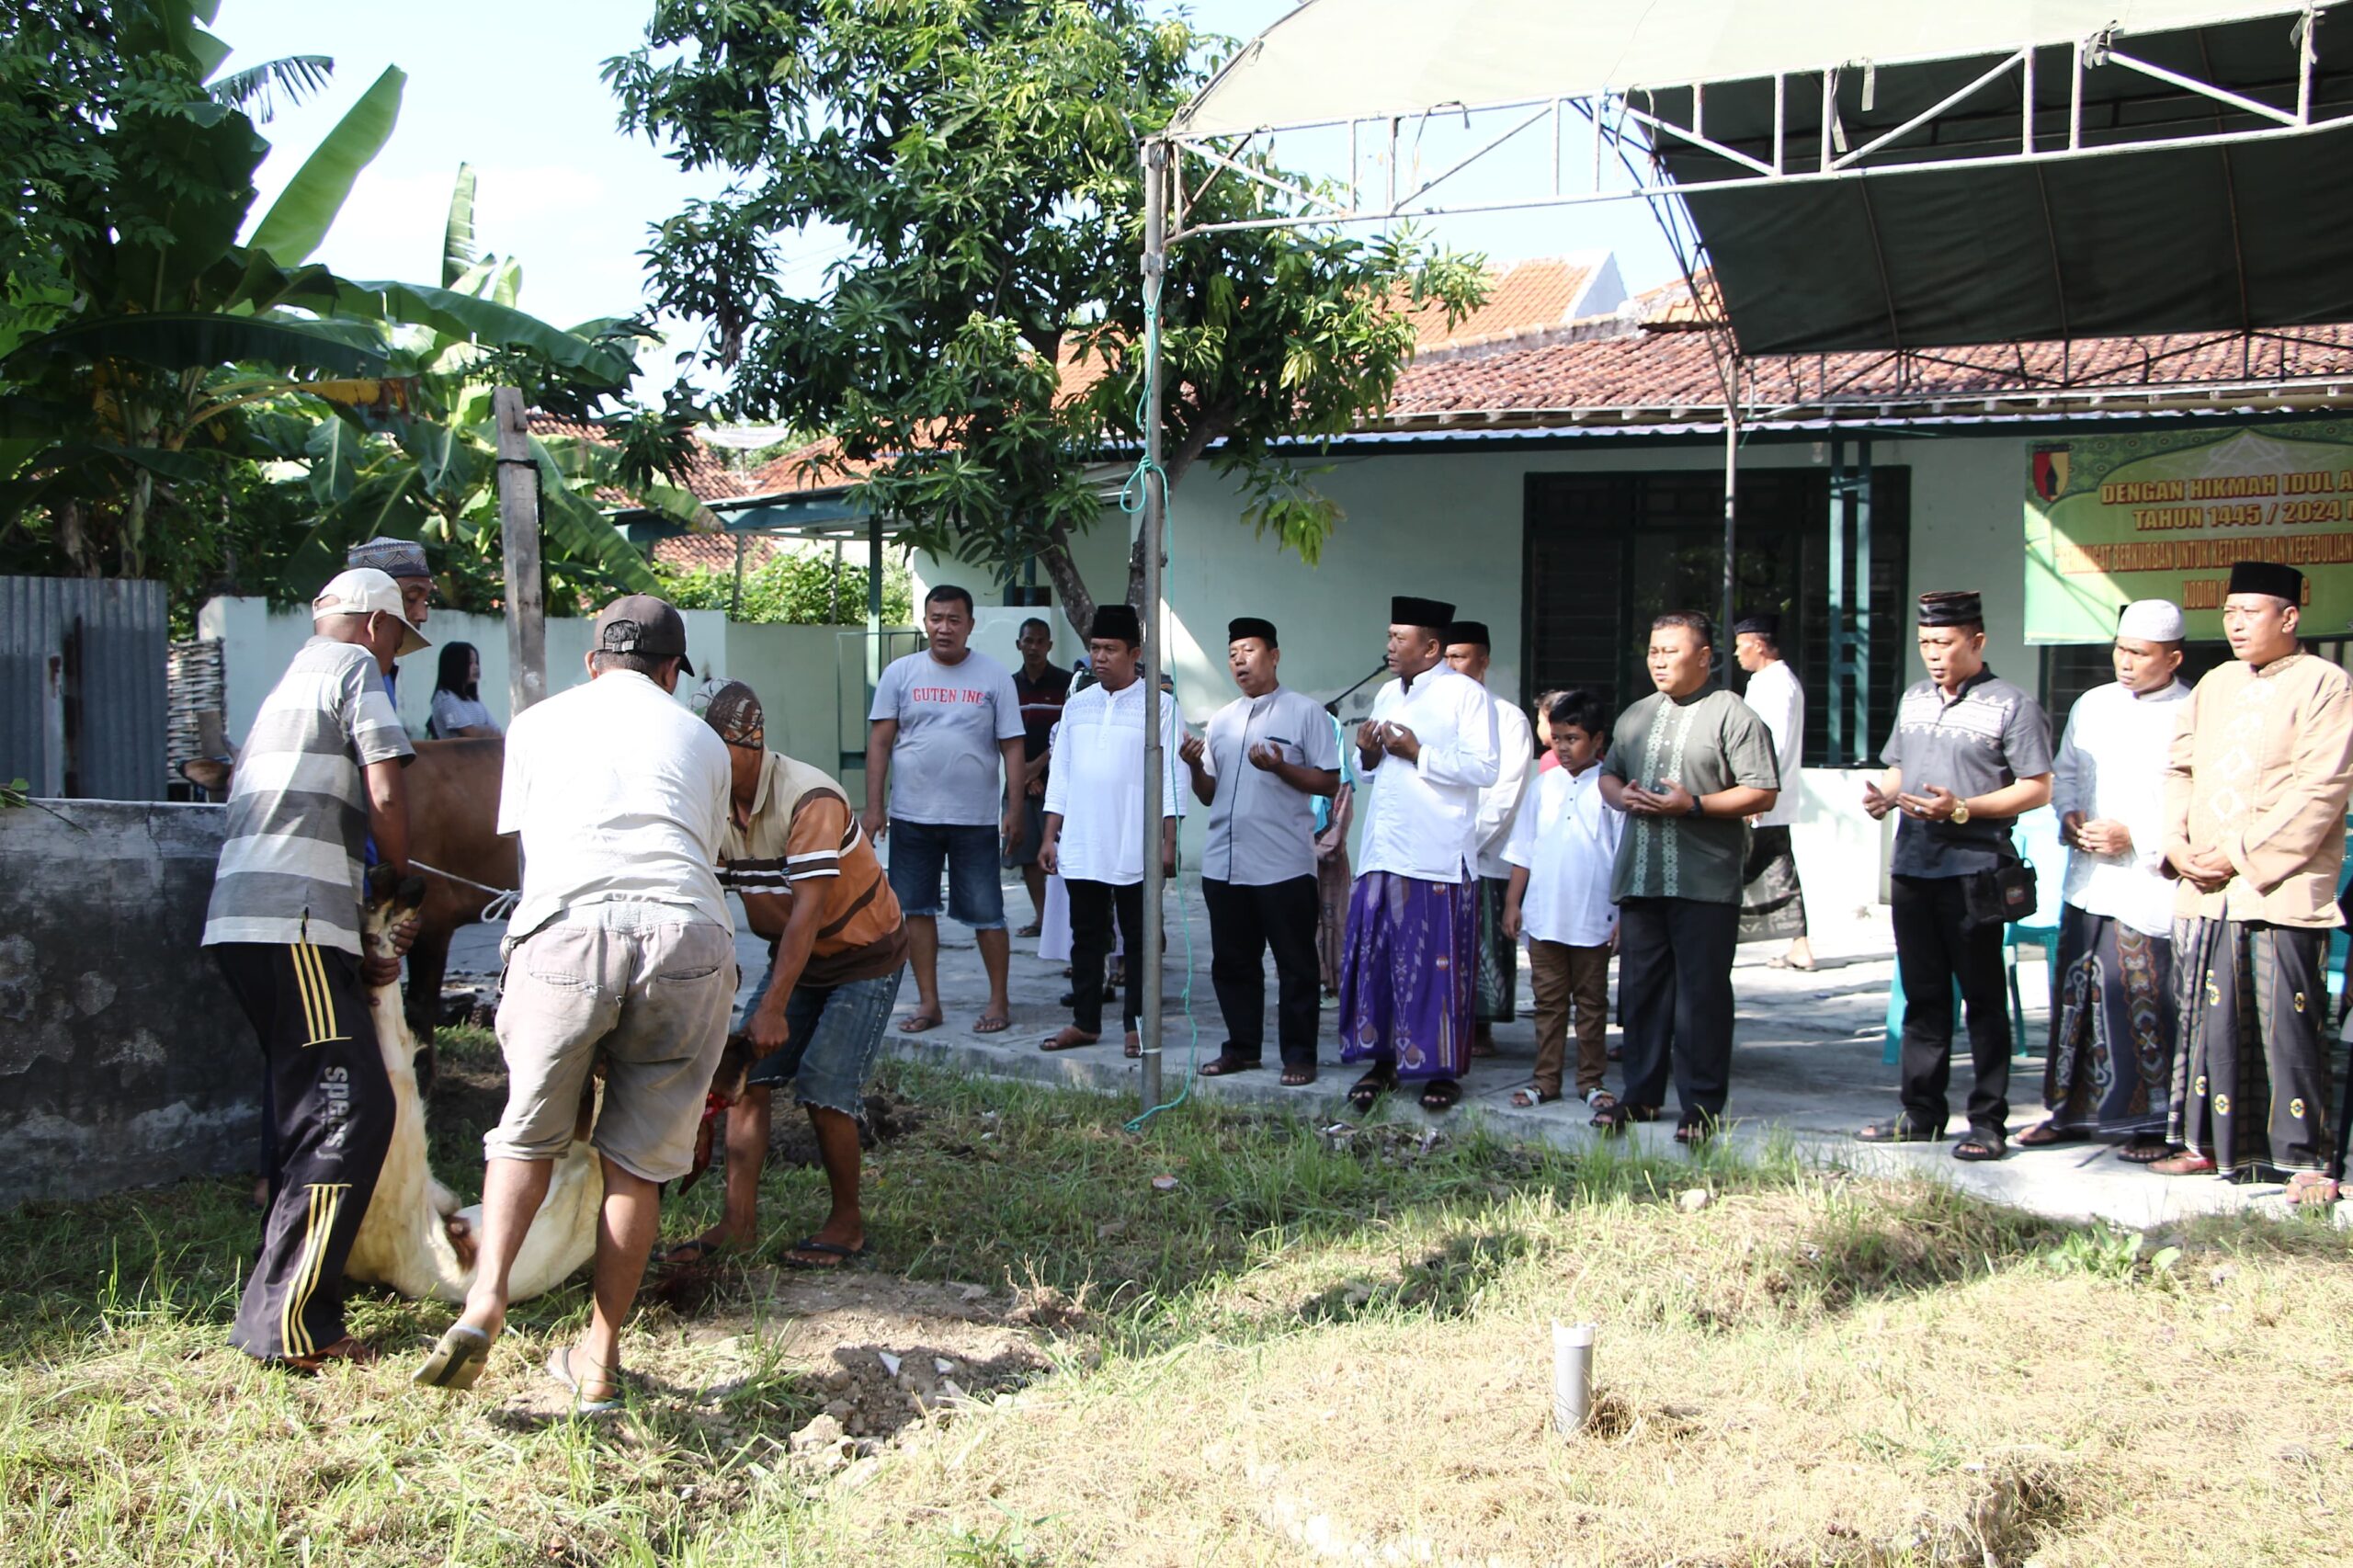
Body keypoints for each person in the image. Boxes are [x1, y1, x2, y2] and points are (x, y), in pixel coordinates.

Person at [414, 595, 734, 1409]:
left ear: (594, 662)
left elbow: (532, 851)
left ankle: (485, 1302)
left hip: (563, 931)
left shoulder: (535, 724)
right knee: (637, 1165)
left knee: (524, 1132)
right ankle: (598, 1357)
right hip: (686, 936)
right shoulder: (701, 737)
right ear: (671, 672)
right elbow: (703, 849)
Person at [204, 568, 424, 1370]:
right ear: (373, 625)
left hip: (245, 921)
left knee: (309, 1109)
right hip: (294, 920)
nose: (400, 649)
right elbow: (386, 789)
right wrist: (399, 874)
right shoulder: (353, 668)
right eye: (400, 632)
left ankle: (277, 1302)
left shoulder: (286, 682)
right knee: (349, 1109)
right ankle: (297, 1321)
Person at [666, 681, 909, 1268]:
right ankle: (738, 1222)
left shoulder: (810, 798)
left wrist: (772, 1007)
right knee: (745, 1076)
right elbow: (701, 907)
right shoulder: (709, 804)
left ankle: (847, 1223)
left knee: (826, 1083)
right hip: (795, 958)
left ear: (754, 745)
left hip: (863, 956)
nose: (710, 766)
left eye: (720, 752)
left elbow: (808, 914)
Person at [2155, 562, 2353, 1204]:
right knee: (2208, 1023)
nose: (2235, 623)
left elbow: (2320, 789)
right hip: (2205, 885)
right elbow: (2179, 767)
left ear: (2289, 618)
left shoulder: (2327, 684)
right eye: (2229, 611)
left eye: (2251, 611)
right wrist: (2179, 844)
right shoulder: (2212, 683)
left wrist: (2238, 856)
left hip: (2279, 885)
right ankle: (2206, 1147)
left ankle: (2302, 1162)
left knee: (2285, 1026)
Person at [1858, 589, 2054, 1162]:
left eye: (1944, 643)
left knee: (1983, 999)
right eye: (1925, 644)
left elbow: (2036, 788)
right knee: (1923, 996)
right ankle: (1921, 1112)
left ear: (1977, 641)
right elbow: (1900, 769)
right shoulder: (1915, 698)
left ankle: (1988, 1120)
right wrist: (1884, 797)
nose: (1933, 655)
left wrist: (1963, 808)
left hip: (1974, 871)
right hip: (1914, 864)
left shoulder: (2011, 705)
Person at [1598, 612, 1780, 1144]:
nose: (1658, 660)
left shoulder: (1734, 714)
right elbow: (1608, 773)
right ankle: (1640, 1095)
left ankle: (1701, 1106)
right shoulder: (1636, 714)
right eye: (1653, 651)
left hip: (1704, 882)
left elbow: (1762, 791)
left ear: (1704, 657)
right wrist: (1621, 796)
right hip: (1642, 876)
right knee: (1641, 992)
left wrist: (1694, 804)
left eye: (1670, 651)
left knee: (1701, 997)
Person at [2020, 599, 2190, 1163]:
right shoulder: (2093, 704)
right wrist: (2068, 817)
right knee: (2075, 999)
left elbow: (2194, 803)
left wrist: (2136, 836)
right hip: (2088, 880)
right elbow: (2067, 773)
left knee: (2141, 1000)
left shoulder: (2189, 713)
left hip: (2146, 884)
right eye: (2121, 649)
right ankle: (2068, 1113)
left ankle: (2146, 1125)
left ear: (2172, 658)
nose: (2126, 662)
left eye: (2140, 654)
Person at [1338, 595, 1500, 1115]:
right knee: (1378, 962)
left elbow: (1485, 769)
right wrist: (1367, 755)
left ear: (1431, 647)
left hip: (1435, 855)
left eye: (1398, 638)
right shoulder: (1387, 693)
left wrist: (1419, 754)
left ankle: (1441, 1071)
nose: (1388, 646)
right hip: (1383, 851)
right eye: (1389, 636)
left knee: (1435, 967)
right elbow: (1370, 772)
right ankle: (1381, 1063)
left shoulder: (1465, 697)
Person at [1181, 617, 1341, 1085]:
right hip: (1225, 863)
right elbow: (1209, 792)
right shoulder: (1223, 719)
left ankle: (1298, 1057)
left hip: (1283, 866)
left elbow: (1329, 782)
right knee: (1232, 963)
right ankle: (1242, 1048)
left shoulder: (1305, 713)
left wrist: (1281, 769)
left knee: (1295, 965)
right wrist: (1193, 767)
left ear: (1273, 655)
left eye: (1249, 651)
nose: (1239, 661)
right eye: (1233, 654)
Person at [864, 585, 1027, 1036]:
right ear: (925, 620)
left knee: (987, 913)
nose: (944, 628)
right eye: (936, 618)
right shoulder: (900, 673)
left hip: (974, 819)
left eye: (954, 619)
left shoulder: (995, 678)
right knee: (914, 911)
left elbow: (1013, 747)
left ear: (970, 625)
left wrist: (1013, 809)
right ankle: (929, 1002)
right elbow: (880, 743)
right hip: (912, 815)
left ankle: (999, 1000)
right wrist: (874, 806)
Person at [1038, 604, 1183, 1056]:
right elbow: (1060, 774)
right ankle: (1085, 1022)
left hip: (1133, 840)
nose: (1099, 658)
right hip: (1084, 839)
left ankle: (1137, 1025)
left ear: (1135, 653)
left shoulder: (1159, 706)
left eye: (1110, 649)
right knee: (1086, 936)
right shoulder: (1077, 704)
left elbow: (1172, 778)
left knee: (1138, 938)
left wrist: (1168, 842)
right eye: (1095, 648)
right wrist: (1049, 834)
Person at [1501, 690, 1623, 1111]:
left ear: (1598, 740)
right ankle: (1545, 1080)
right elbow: (1523, 850)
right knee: (1548, 1003)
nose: (1563, 747)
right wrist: (1513, 903)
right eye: (1557, 738)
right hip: (1544, 916)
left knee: (1591, 1003)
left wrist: (1622, 914)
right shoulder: (1543, 787)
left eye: (1573, 738)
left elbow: (1622, 855)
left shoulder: (1611, 789)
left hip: (1593, 917)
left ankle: (1591, 1080)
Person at [1444, 621, 1533, 1059]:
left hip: (1485, 853)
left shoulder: (1508, 717)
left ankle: (1481, 1029)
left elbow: (1506, 793)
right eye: (1445, 657)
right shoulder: (1433, 713)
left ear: (1484, 661)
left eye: (1460, 657)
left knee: (1484, 945)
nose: (1452, 666)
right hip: (1434, 854)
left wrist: (1464, 843)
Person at [1733, 613, 1812, 970]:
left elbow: (1772, 742)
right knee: (1776, 866)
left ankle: (1799, 944)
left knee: (1748, 867)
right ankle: (1799, 944)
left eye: (1740, 646)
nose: (1737, 654)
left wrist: (1757, 788)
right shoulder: (1766, 682)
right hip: (1765, 795)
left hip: (1763, 795)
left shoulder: (1777, 684)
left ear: (1758, 645)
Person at [1006, 617, 1071, 937]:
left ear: (1050, 645)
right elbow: (1001, 736)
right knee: (1028, 852)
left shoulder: (1066, 683)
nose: (1033, 647)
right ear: (1018, 643)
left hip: (1061, 783)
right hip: (1021, 783)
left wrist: (1039, 767)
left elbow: (1067, 734)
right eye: (1028, 640)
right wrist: (1025, 776)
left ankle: (1066, 923)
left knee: (1062, 854)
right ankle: (1043, 919)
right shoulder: (1008, 685)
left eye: (1040, 641)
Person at [346, 537, 435, 708]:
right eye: (411, 598)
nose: (422, 616)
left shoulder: (381, 670)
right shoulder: (350, 676)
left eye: (425, 600)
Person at [1313, 707, 1357, 997]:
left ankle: (1334, 982)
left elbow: (1340, 819)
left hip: (1325, 857)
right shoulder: (1297, 768)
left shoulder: (1340, 779)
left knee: (1333, 919)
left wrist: (1324, 844)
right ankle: (1312, 978)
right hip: (1293, 853)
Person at [427, 641, 500, 738]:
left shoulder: (472, 700)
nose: (476, 667)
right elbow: (470, 733)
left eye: (476, 662)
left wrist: (487, 731)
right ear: (455, 666)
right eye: (470, 663)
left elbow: (497, 731)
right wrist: (488, 731)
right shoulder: (445, 698)